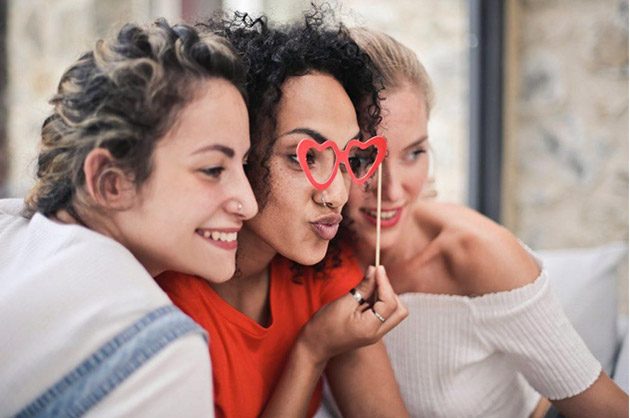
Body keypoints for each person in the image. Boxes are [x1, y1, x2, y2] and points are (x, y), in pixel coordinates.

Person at [327, 27, 629, 418]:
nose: (394, 191)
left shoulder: (480, 253)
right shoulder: (316, 255)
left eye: (414, 152)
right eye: (363, 159)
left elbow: (608, 410)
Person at [156, 11, 409, 418]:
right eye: (302, 156)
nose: (336, 195)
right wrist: (310, 352)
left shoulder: (323, 268)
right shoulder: (167, 305)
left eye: (347, 157)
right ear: (241, 151)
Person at [0, 19, 258, 417]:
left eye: (244, 164)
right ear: (111, 181)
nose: (248, 203)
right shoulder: (162, 354)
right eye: (212, 169)